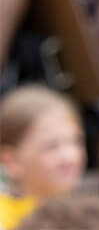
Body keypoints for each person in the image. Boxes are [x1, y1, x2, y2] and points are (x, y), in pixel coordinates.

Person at [0, 87, 84, 229]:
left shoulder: (86, 212)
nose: (70, 156)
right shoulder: (6, 221)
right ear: (11, 161)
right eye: (51, 146)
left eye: (75, 141)